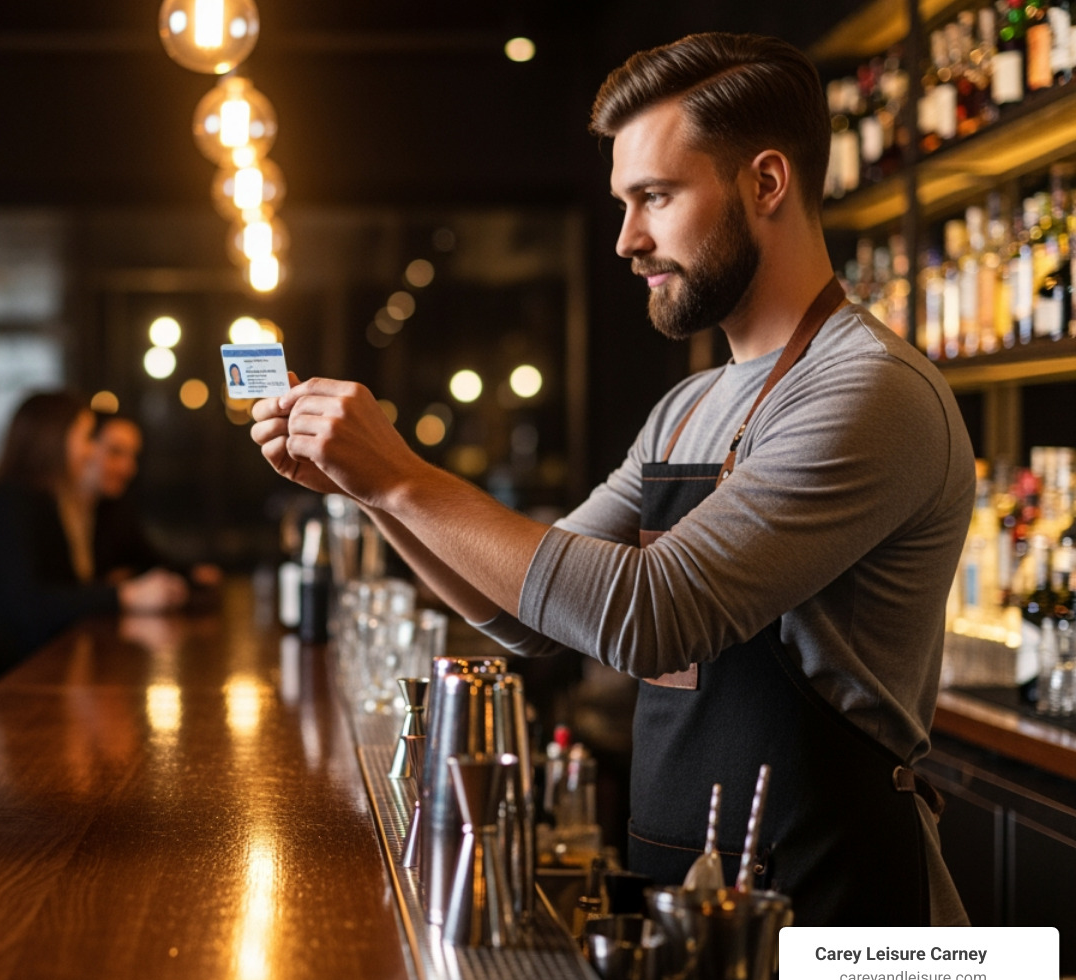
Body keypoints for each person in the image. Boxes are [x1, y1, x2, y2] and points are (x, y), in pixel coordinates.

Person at [251, 33, 974, 927]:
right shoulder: (687, 406)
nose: (628, 240)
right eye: (624, 204)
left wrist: (399, 477)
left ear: (767, 183)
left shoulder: (867, 390)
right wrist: (364, 485)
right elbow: (523, 617)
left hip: (846, 920)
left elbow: (652, 614)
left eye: (655, 198)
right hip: (694, 899)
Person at [0, 393, 187, 678]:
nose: (90, 451)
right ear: (53, 439)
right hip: (3, 681)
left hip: (34, 669)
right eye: (85, 438)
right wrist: (124, 595)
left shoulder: (46, 501)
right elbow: (28, 607)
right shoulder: (12, 500)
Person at [84, 413, 223, 589]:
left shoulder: (113, 509)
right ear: (85, 448)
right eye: (115, 452)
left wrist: (192, 573)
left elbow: (148, 559)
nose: (128, 468)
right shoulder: (53, 509)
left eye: (133, 456)